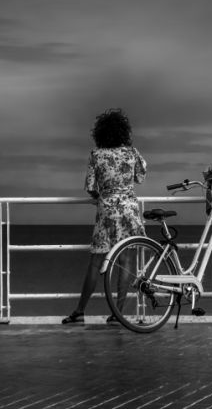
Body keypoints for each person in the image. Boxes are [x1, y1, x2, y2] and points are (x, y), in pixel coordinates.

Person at [62, 108, 147, 325]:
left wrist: (103, 194)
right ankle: (117, 314)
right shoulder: (132, 153)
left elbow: (90, 187)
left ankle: (80, 311)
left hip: (107, 209)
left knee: (96, 261)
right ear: (123, 132)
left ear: (100, 133)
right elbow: (140, 178)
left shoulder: (96, 155)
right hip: (129, 209)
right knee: (126, 259)